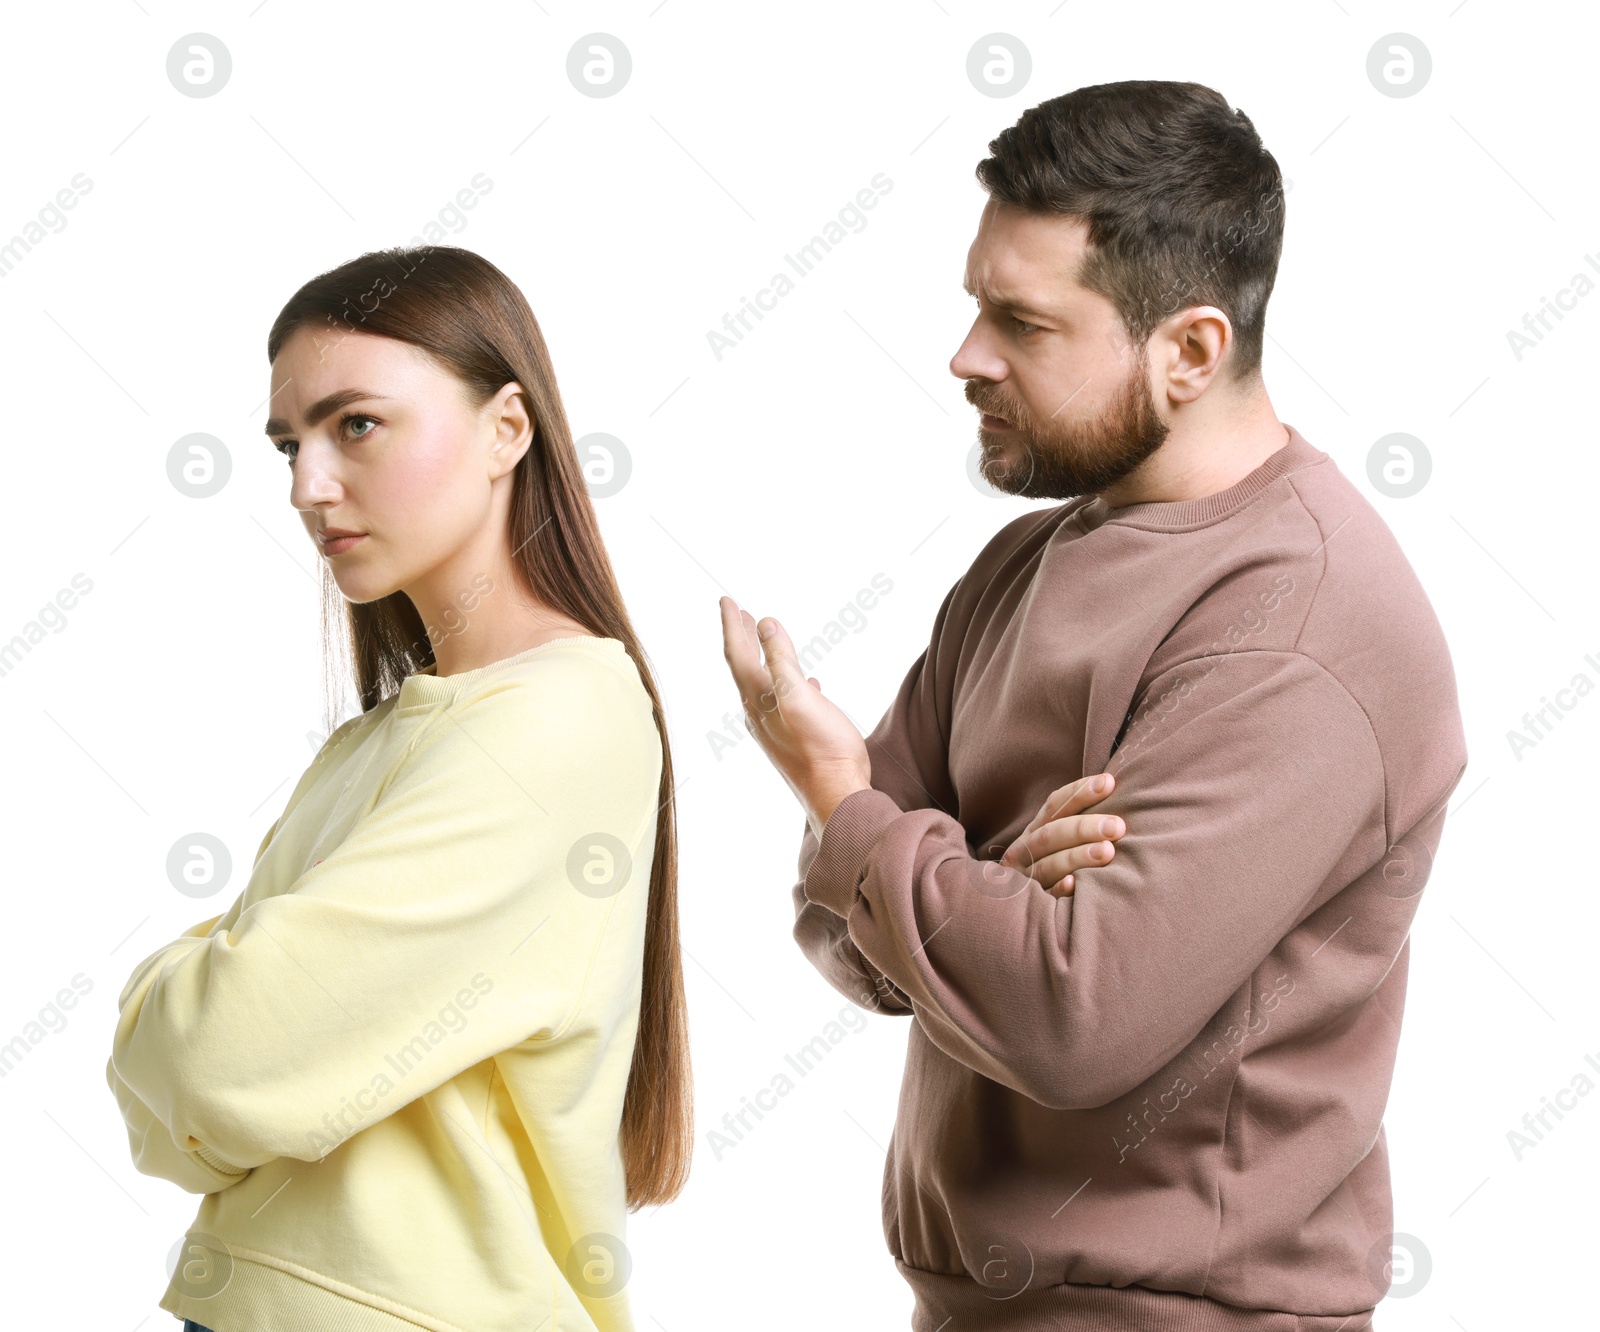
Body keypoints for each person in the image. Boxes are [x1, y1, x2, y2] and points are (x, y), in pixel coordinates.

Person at [720, 79, 1467, 1330]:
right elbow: (858, 950)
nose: (965, 358)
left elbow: (1066, 1019)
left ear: (1188, 352)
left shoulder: (1300, 626)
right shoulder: (1030, 560)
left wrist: (855, 813)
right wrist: (983, 881)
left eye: (1020, 321)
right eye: (974, 305)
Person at [106, 246, 692, 1332]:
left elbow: (210, 1058)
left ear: (505, 430)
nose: (306, 486)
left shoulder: (558, 718)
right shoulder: (382, 739)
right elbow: (196, 1075)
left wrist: (179, 998)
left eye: (356, 425)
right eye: (290, 444)